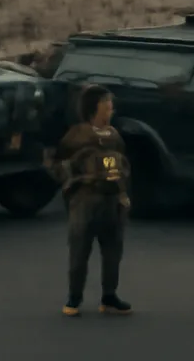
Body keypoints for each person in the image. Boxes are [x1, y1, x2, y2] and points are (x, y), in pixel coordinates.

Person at [47, 84, 132, 318]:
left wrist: (123, 193)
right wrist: (73, 183)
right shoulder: (77, 135)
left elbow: (123, 164)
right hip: (86, 200)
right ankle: (74, 296)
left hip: (112, 200)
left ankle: (109, 295)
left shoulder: (115, 136)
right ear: (97, 107)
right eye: (108, 104)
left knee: (113, 250)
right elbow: (57, 163)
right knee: (80, 251)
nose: (112, 109)